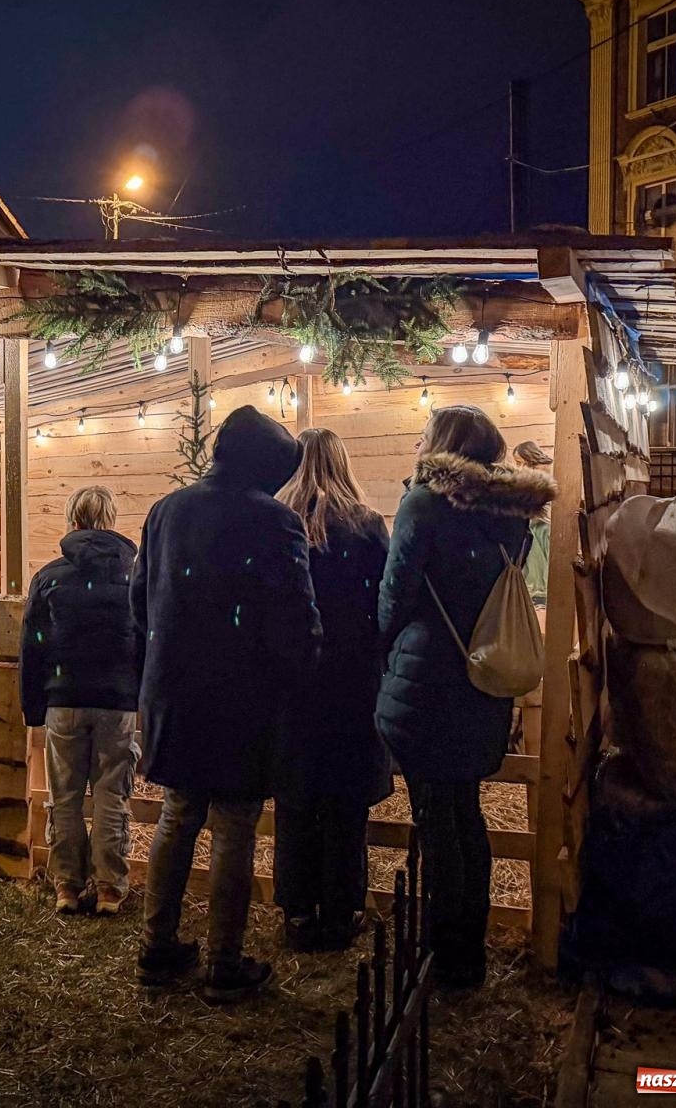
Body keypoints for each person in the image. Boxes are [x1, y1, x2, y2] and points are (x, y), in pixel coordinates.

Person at [132, 406, 322, 1004]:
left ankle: (156, 947)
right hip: (243, 698)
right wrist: (298, 672)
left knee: (178, 813)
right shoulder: (275, 521)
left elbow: (140, 601)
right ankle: (223, 962)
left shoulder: (166, 511)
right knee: (235, 825)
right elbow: (295, 617)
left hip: (175, 693)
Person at [377, 405, 555, 989]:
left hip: (428, 678)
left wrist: (383, 647)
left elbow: (396, 593)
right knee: (467, 814)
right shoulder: (512, 512)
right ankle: (469, 951)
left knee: (435, 818)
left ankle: (442, 955)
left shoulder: (424, 505)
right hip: (484, 680)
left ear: (441, 445)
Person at [274, 428, 392, 951]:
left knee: (296, 798)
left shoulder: (279, 522)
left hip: (294, 678)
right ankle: (343, 910)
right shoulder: (366, 525)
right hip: (351, 677)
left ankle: (298, 912)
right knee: (346, 801)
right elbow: (385, 600)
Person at [20, 485, 141, 916]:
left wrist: (33, 706)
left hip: (64, 699)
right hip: (118, 702)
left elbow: (32, 645)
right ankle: (109, 887)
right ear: (110, 519)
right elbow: (147, 639)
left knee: (65, 796)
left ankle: (67, 885)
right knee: (112, 795)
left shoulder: (49, 577)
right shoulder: (135, 576)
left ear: (73, 520)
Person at [512, 440, 553, 608]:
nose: (518, 466)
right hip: (535, 518)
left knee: (535, 550)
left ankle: (538, 590)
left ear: (528, 457)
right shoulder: (532, 471)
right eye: (517, 463)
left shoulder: (541, 470)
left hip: (542, 521)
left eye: (520, 462)